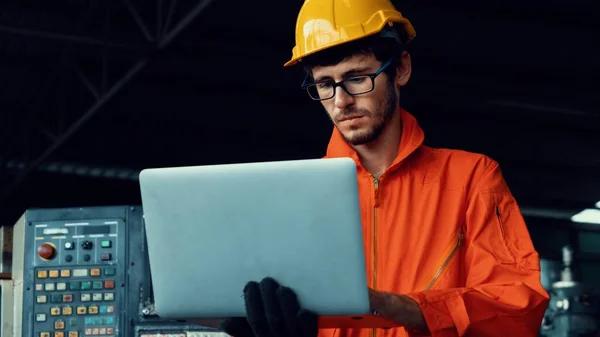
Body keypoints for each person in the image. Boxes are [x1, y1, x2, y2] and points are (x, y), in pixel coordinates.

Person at [219, 0, 550, 336]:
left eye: (357, 78)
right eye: (324, 84)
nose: (340, 101)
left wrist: (399, 308)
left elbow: (516, 309)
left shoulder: (472, 179)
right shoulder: (294, 196)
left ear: (401, 69)